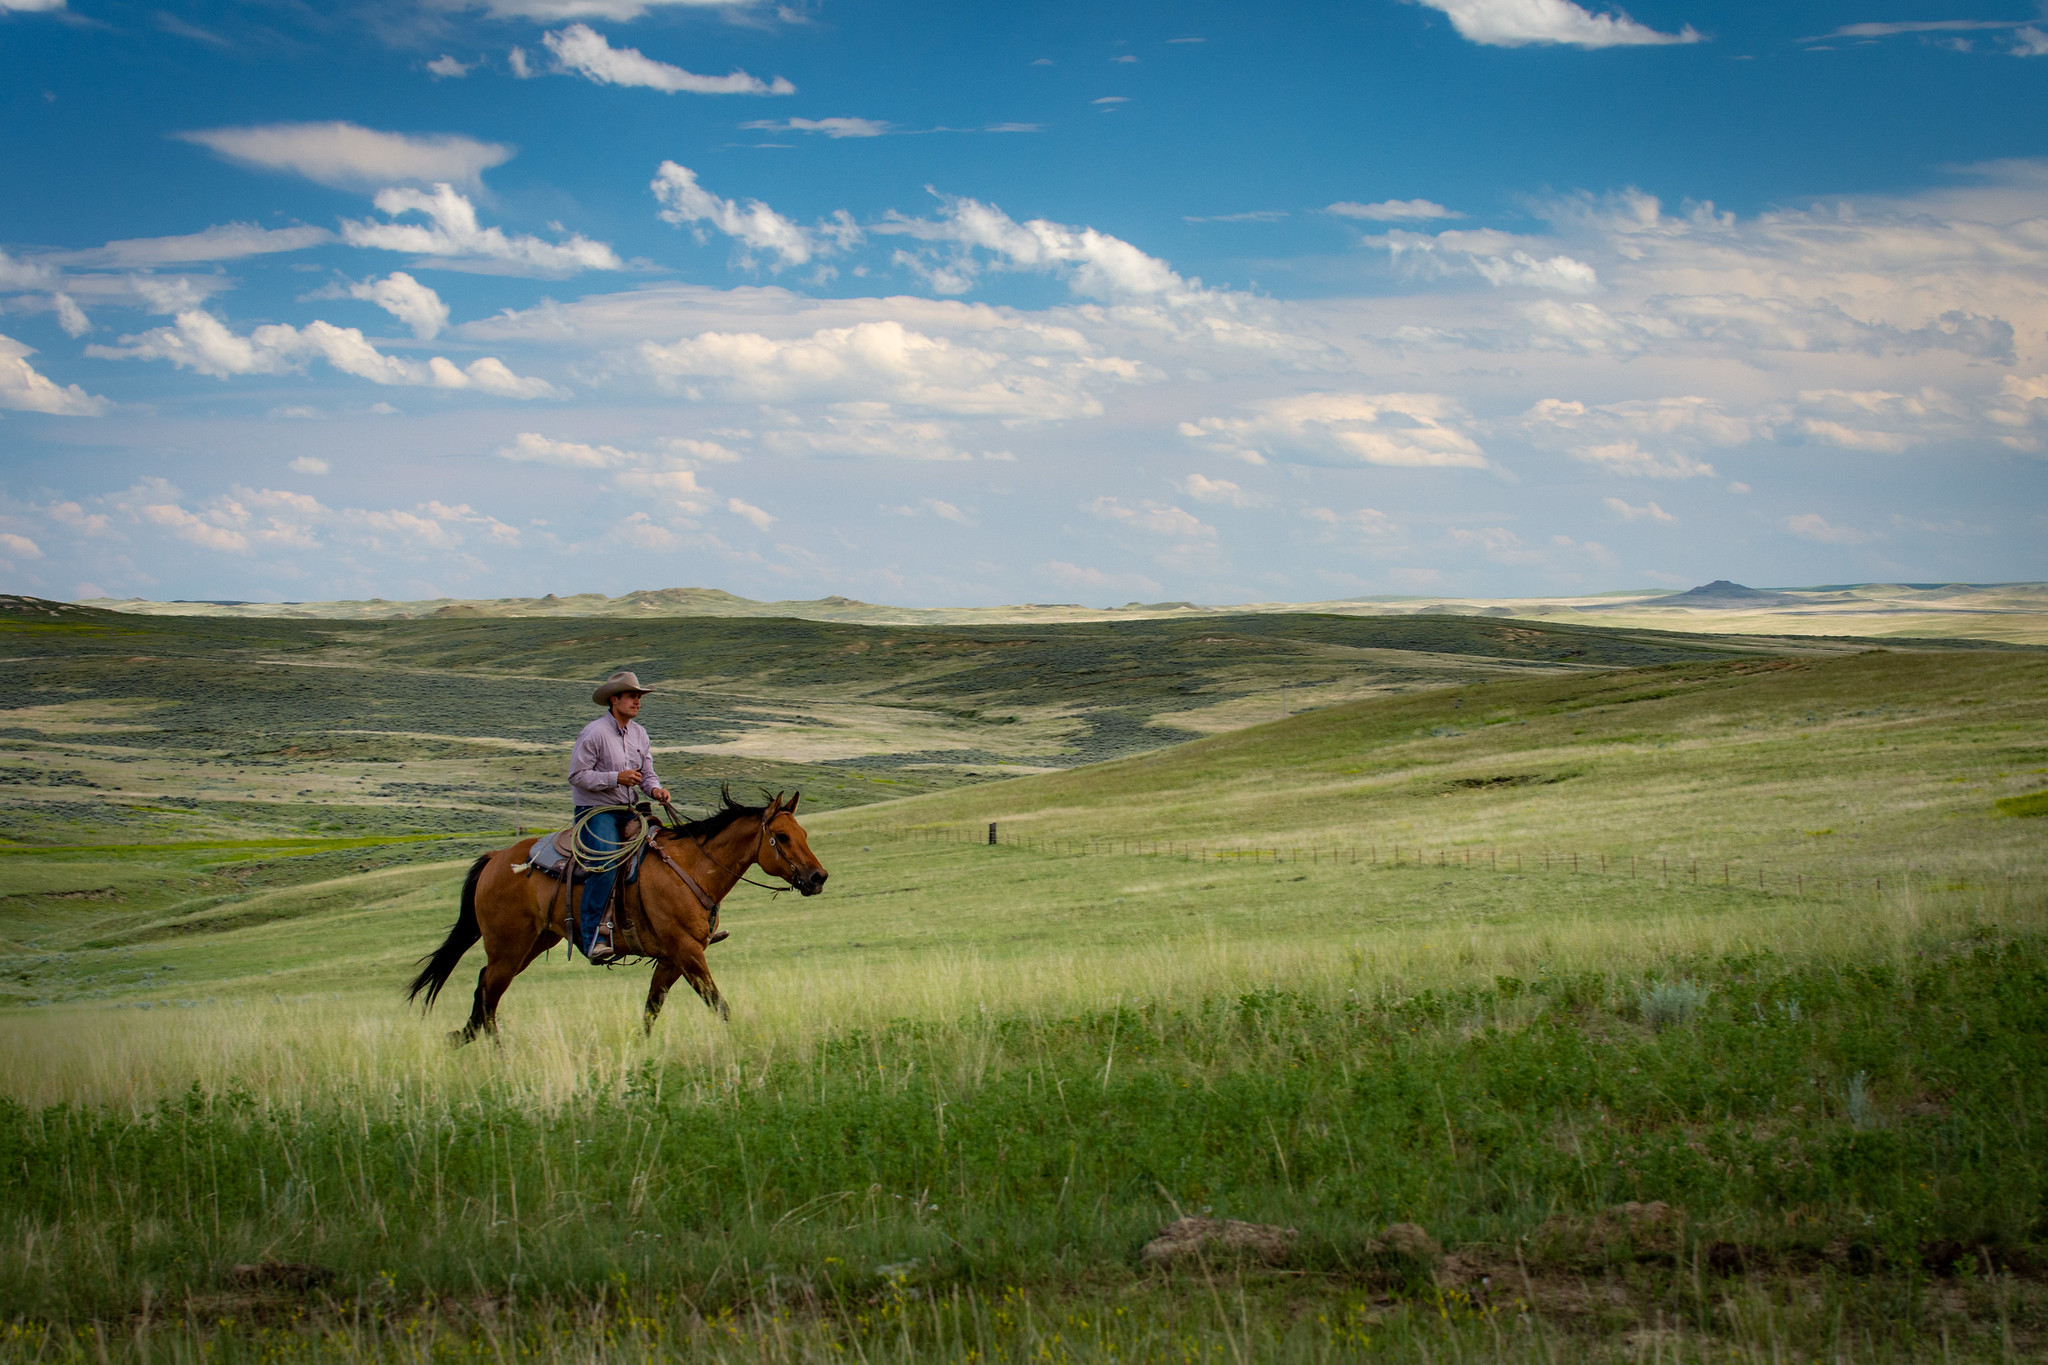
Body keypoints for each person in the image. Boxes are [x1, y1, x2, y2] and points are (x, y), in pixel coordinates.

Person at [569, 671, 672, 963]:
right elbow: (577, 775)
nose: (637, 702)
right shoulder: (594, 733)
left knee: (665, 854)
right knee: (607, 861)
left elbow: (646, 773)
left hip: (629, 810)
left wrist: (655, 790)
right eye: (631, 696)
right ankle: (594, 938)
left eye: (639, 697)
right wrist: (615, 777)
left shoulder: (640, 733)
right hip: (595, 811)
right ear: (614, 700)